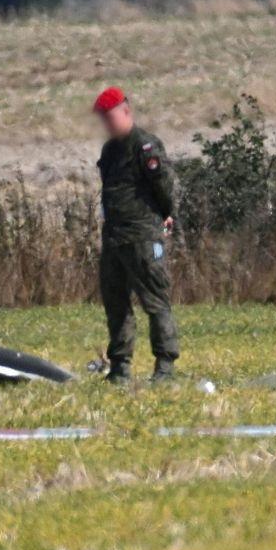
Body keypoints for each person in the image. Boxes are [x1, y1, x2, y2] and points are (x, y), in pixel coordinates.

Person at [93, 87, 179, 384]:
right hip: (115, 237)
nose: (106, 124)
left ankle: (165, 366)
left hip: (143, 236)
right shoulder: (109, 151)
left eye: (110, 117)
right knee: (115, 303)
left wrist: (165, 214)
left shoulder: (145, 146)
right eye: (103, 119)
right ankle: (120, 367)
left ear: (125, 111)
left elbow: (165, 187)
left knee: (155, 301)